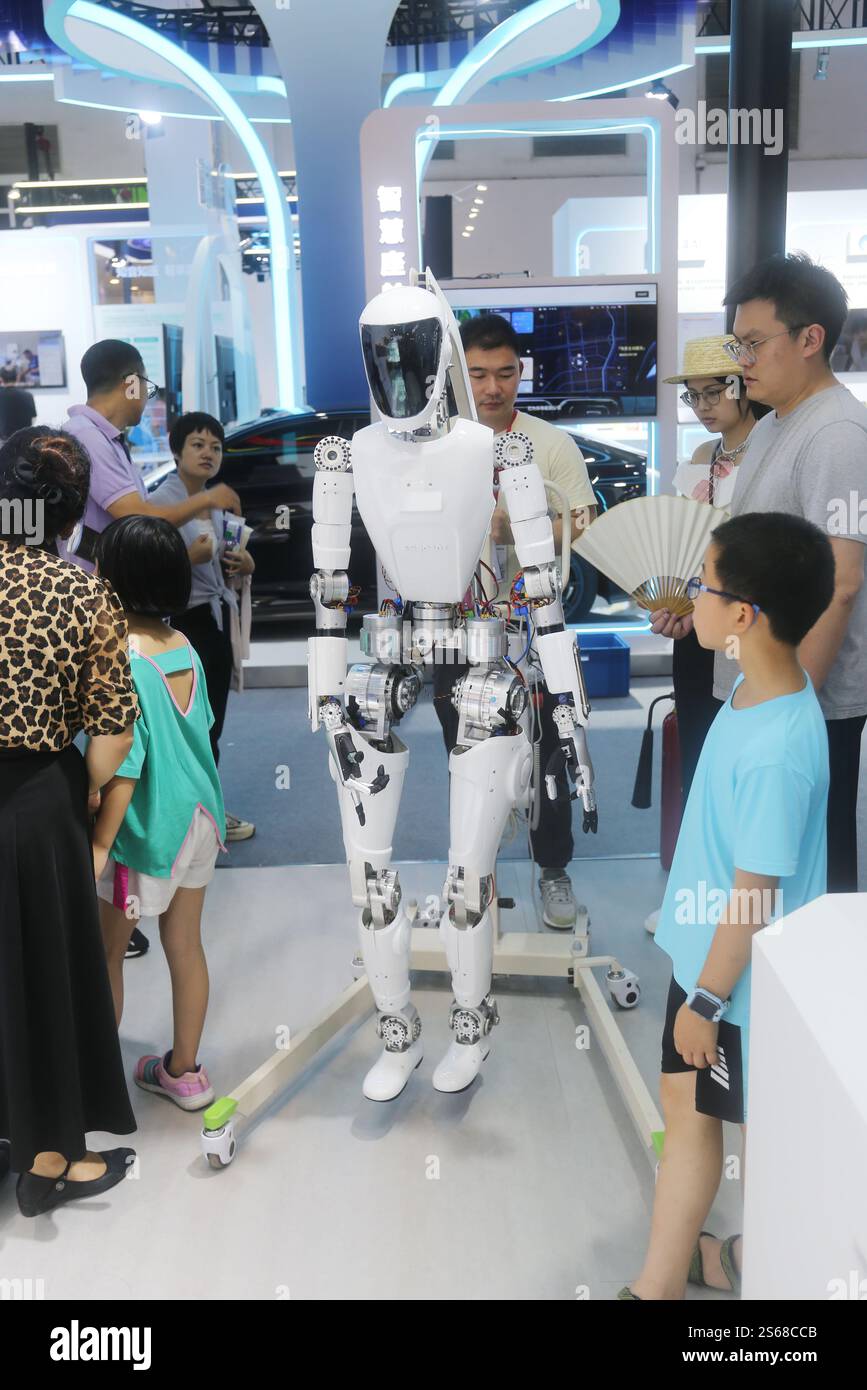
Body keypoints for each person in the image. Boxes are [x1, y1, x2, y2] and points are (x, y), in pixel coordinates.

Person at [620, 512, 835, 1301]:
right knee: (684, 1108)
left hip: (737, 990)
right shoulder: (756, 681)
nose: (692, 598)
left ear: (743, 614)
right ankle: (661, 1281)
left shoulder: (778, 748)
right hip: (701, 959)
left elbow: (753, 896)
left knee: (760, 1141)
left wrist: (707, 1001)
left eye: (704, 586)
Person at [655, 255, 866, 893]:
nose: (742, 360)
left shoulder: (837, 434)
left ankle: (814, 990)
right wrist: (699, 607)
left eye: (753, 344)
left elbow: (843, 581)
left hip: (806, 702)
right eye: (737, 344)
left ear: (810, 339)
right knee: (757, 864)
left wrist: (790, 703)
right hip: (757, 687)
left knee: (809, 868)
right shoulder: (775, 425)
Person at [60, 339, 241, 953]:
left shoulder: (100, 442)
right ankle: (113, 879)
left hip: (126, 617)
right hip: (110, 618)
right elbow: (134, 515)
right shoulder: (91, 440)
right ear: (129, 384)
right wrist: (208, 501)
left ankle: (122, 881)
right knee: (112, 746)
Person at [0, 427, 138, 1216]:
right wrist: (80, 798)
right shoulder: (82, 591)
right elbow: (114, 728)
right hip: (39, 803)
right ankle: (50, 1155)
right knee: (46, 970)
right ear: (64, 515)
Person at [432, 313, 597, 930]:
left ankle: (552, 867)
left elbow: (582, 519)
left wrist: (521, 529)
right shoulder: (440, 445)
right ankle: (478, 864)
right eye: (477, 373)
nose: (493, 387)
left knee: (550, 747)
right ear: (458, 373)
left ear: (521, 373)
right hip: (457, 628)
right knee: (464, 745)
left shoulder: (549, 443)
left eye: (505, 373)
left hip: (536, 624)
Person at [92, 515, 227, 1111]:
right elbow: (204, 728)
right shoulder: (186, 648)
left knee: (107, 955)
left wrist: (99, 840)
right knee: (185, 944)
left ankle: (96, 1082)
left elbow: (123, 761)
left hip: (146, 832)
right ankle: (186, 1071)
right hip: (201, 820)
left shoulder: (121, 656)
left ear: (111, 581)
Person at [662, 337, 769, 803]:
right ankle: (703, 861)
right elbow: (683, 542)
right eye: (693, 395)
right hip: (698, 619)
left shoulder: (771, 447)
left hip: (754, 621)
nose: (702, 406)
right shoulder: (702, 456)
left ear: (741, 386)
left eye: (713, 392)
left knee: (751, 752)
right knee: (700, 750)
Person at [151, 412, 255, 842]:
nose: (208, 452)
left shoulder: (213, 503)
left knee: (210, 726)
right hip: (178, 628)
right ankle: (191, 819)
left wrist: (246, 566)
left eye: (216, 446)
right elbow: (144, 568)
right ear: (176, 453)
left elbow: (226, 569)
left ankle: (205, 811)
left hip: (211, 624)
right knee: (185, 729)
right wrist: (185, 560)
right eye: (197, 444)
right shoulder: (161, 503)